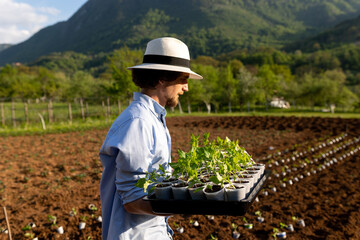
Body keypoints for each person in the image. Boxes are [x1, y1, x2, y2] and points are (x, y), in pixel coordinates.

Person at [99, 37, 202, 240]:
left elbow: (152, 182)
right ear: (162, 78)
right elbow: (132, 201)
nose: (186, 87)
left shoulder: (153, 118)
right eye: (183, 79)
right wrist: (189, 204)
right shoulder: (139, 122)